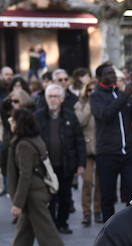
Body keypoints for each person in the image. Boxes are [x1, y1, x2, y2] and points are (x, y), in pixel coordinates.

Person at [0, 108, 75, 246]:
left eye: (13, 120)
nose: (11, 122)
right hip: (36, 192)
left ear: (20, 123)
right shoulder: (33, 139)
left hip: (33, 194)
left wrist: (17, 203)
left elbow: (26, 175)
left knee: (47, 234)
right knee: (23, 233)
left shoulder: (24, 144)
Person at [91, 62, 132, 222]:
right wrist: (125, 95)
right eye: (108, 73)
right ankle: (109, 229)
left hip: (128, 152)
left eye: (113, 73)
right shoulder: (96, 96)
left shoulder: (123, 94)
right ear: (99, 77)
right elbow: (105, 115)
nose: (113, 76)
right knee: (108, 196)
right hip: (107, 153)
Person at [35, 83, 85, 234]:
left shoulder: (70, 116)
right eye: (50, 96)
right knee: (49, 198)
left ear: (62, 99)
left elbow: (79, 140)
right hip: (46, 165)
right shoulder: (38, 117)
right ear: (46, 98)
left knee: (65, 196)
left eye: (56, 96)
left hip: (66, 164)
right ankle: (50, 224)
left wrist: (81, 164)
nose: (53, 99)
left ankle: (62, 223)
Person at [75, 80, 100, 225]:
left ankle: (97, 210)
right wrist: (90, 105)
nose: (92, 93)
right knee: (87, 181)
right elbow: (80, 121)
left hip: (101, 147)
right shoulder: (80, 104)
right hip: (87, 148)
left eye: (94, 90)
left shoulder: (103, 103)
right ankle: (86, 213)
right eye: (89, 90)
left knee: (100, 183)